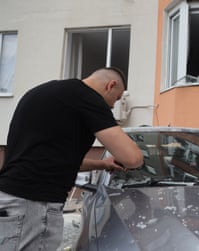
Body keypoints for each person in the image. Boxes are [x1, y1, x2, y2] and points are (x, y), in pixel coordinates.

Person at [0, 67, 144, 251]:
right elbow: (132, 158)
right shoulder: (87, 98)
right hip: (33, 207)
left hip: (11, 200)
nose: (112, 106)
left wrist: (102, 164)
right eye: (116, 99)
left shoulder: (45, 93)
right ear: (111, 85)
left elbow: (55, 160)